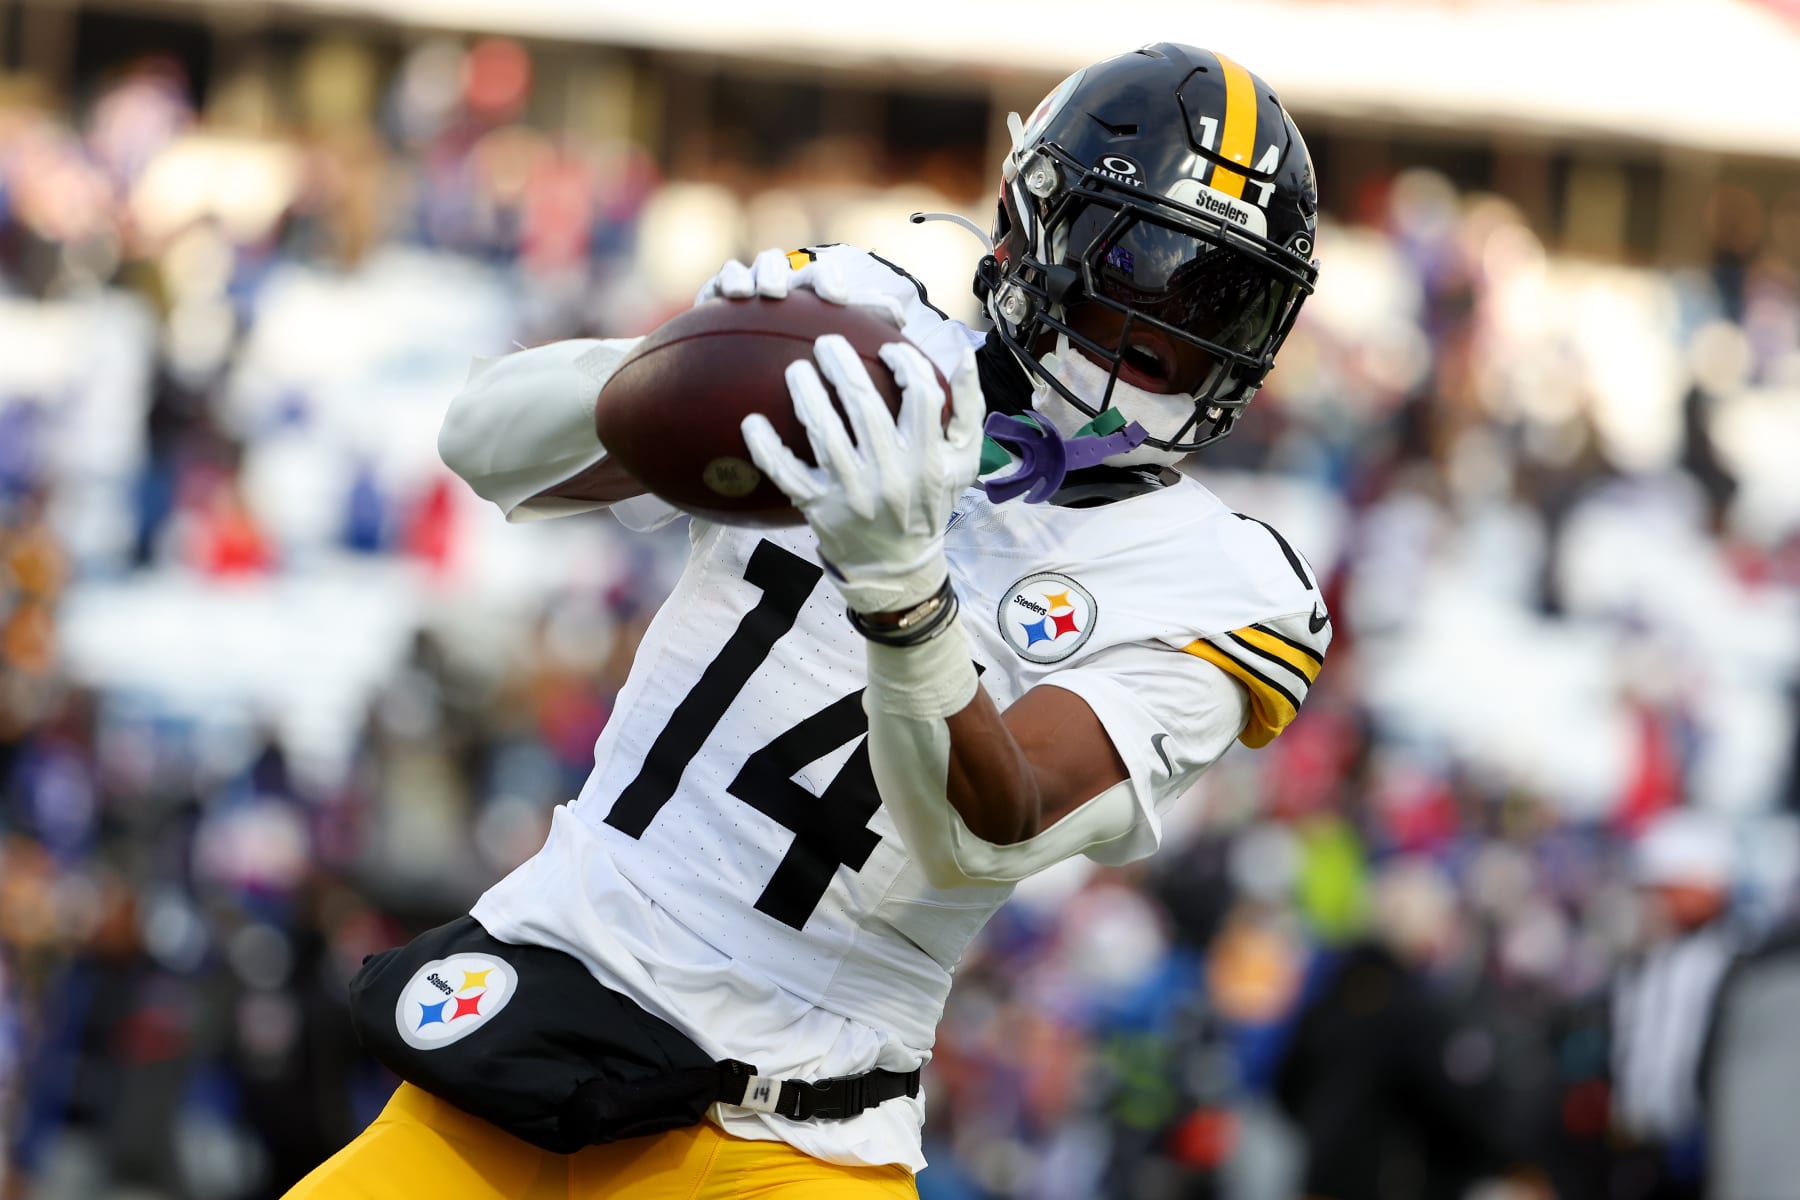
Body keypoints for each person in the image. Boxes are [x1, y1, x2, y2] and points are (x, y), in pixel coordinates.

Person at [288, 41, 1329, 1200]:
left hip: (792, 1125)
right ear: (1039, 223)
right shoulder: (862, 323)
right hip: (543, 1007)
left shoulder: (1232, 586)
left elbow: (991, 826)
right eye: (1139, 264)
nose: (1161, 329)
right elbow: (482, 443)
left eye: (1215, 298)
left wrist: (902, 590)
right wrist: (662, 377)